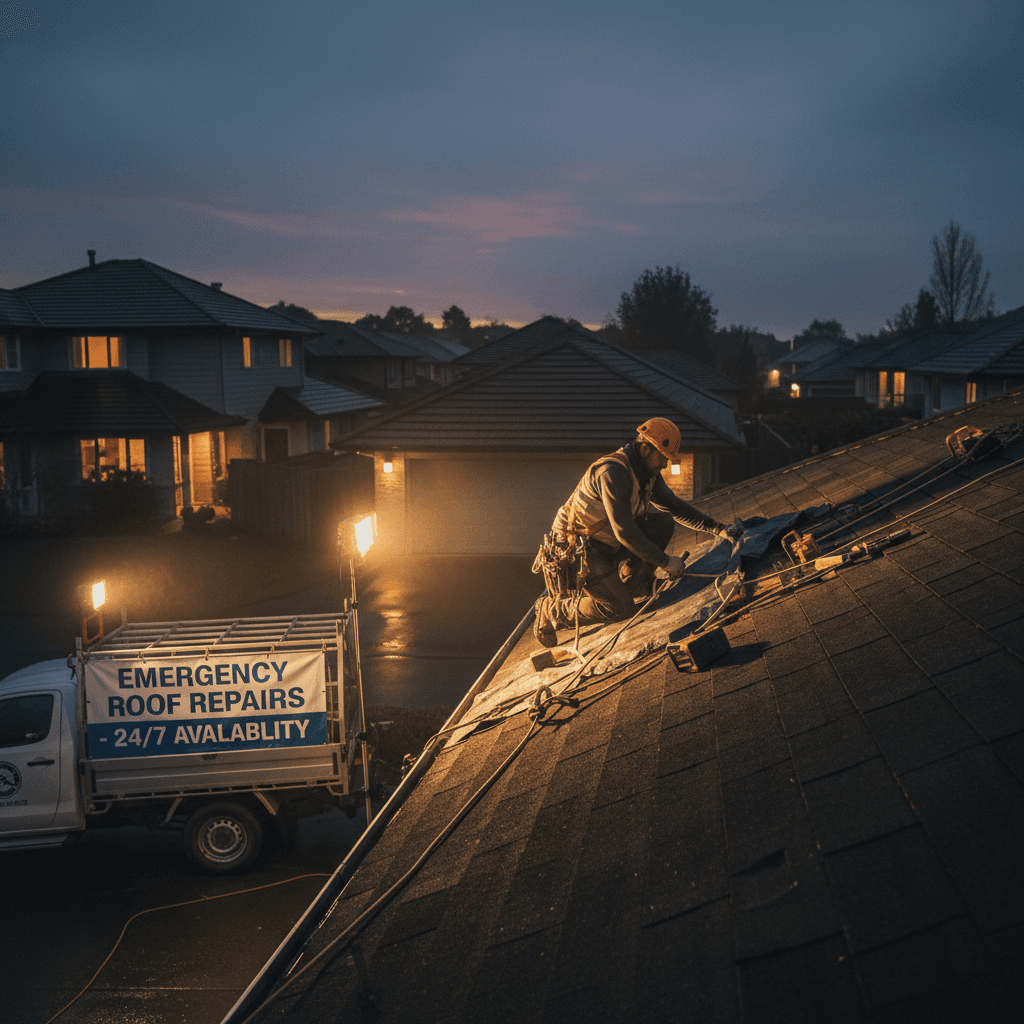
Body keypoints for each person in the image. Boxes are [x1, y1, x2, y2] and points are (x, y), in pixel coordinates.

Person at [534, 417, 742, 647]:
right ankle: (552, 610)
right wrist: (665, 561)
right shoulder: (613, 473)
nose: (665, 464)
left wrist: (718, 529)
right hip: (578, 549)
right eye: (663, 457)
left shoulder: (646, 473)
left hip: (607, 542)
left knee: (662, 523)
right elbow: (625, 531)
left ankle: (636, 584)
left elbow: (673, 506)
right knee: (620, 609)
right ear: (645, 448)